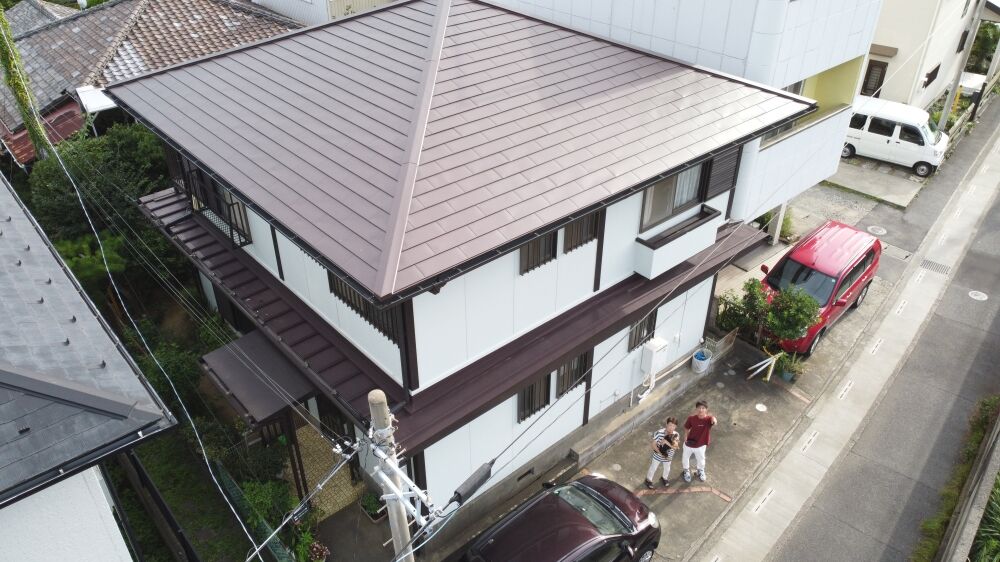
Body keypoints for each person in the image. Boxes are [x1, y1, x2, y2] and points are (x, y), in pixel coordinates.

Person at [681, 400, 717, 483]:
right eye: (699, 408)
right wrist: (685, 436)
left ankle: (700, 470)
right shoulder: (691, 418)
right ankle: (686, 471)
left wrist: (714, 419)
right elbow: (686, 427)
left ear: (706, 409)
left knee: (701, 459)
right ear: (696, 409)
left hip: (701, 445)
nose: (701, 410)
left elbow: (714, 420)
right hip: (689, 443)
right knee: (685, 458)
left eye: (703, 408)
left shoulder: (709, 419)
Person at [644, 417, 680, 489]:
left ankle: (664, 478)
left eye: (673, 426)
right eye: (670, 425)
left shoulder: (676, 434)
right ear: (666, 424)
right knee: (653, 468)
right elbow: (653, 445)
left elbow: (676, 447)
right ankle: (648, 480)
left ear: (676, 427)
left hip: (668, 456)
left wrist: (666, 442)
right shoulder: (659, 433)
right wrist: (661, 454)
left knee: (667, 468)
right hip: (658, 454)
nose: (671, 428)